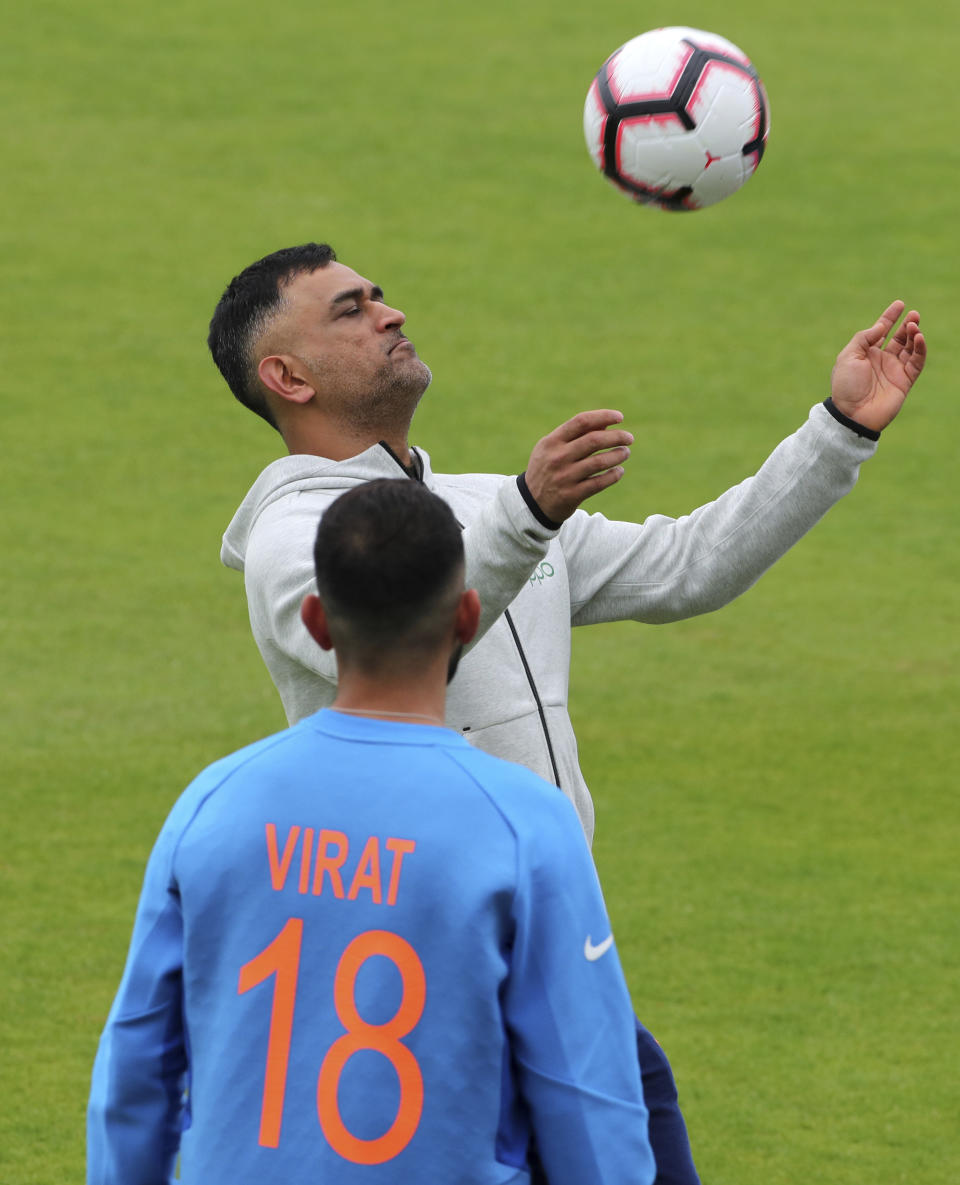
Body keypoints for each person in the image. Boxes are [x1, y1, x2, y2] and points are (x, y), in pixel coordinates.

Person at [207, 242, 927, 1184]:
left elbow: (689, 565)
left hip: (563, 975)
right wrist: (527, 513)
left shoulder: (484, 506)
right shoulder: (290, 540)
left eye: (379, 296)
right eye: (349, 310)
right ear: (286, 375)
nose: (388, 313)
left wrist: (839, 430)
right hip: (419, 999)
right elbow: (388, 633)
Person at [86, 479, 655, 1185]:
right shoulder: (524, 822)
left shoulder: (214, 804)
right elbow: (590, 1100)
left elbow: (136, 1066)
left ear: (319, 622)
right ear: (468, 616)